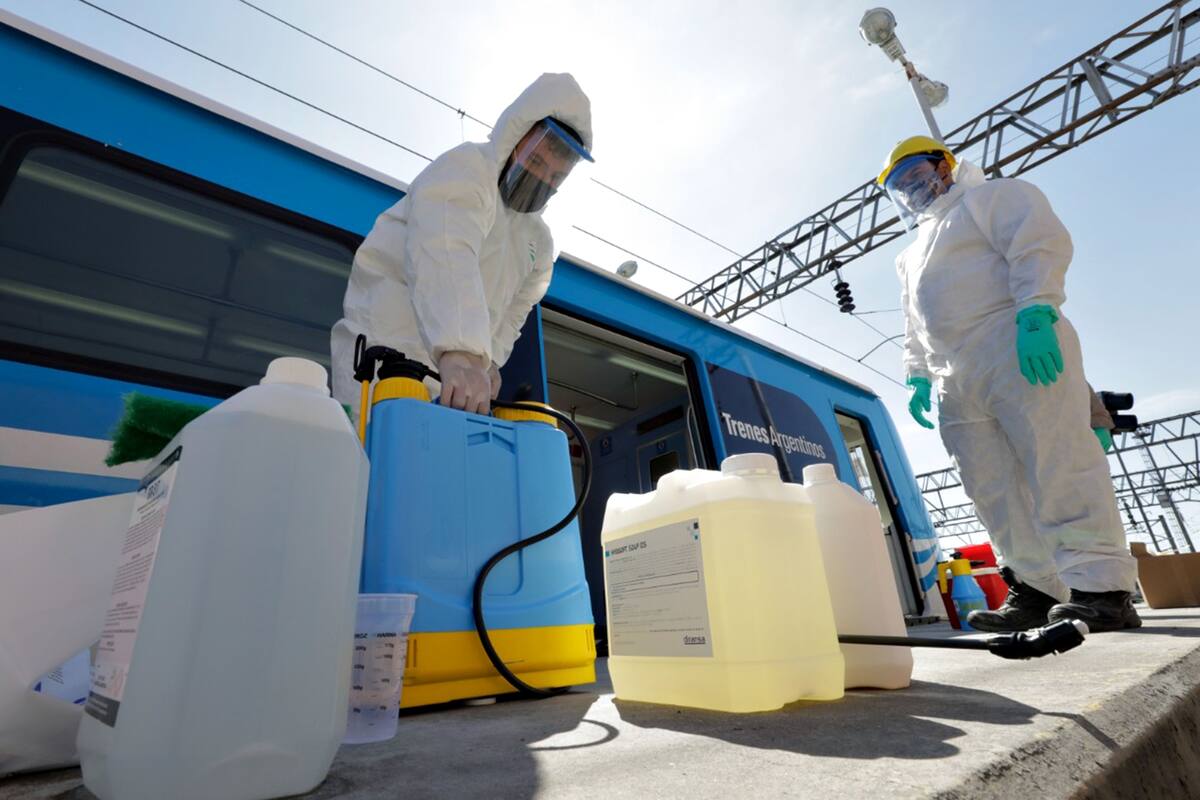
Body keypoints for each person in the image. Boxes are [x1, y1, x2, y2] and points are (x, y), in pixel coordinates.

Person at [880, 135, 1140, 633]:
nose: (912, 189)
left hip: (1014, 341)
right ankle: (1038, 587)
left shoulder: (990, 198)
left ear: (946, 166)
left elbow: (1037, 242)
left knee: (1058, 459)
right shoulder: (909, 256)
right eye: (901, 185)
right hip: (952, 373)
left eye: (917, 174)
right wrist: (916, 375)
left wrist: (1037, 310)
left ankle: (1102, 586)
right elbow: (914, 321)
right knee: (990, 485)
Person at [331, 73, 593, 417]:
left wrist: (488, 362)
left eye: (556, 176)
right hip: (383, 364)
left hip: (452, 379)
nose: (543, 179)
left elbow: (513, 314)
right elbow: (445, 249)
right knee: (375, 463)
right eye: (536, 162)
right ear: (515, 136)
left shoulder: (538, 244)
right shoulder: (468, 170)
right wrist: (463, 352)